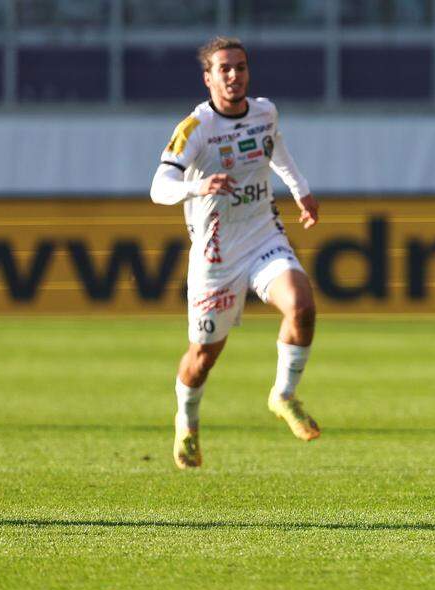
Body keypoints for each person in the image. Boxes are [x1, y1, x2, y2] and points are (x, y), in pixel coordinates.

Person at [150, 36, 322, 469]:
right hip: (216, 255)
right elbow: (158, 187)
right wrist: (196, 185)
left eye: (240, 67)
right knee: (203, 357)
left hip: (263, 235)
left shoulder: (265, 112)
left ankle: (283, 395)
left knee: (301, 306)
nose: (233, 75)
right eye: (224, 69)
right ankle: (186, 422)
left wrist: (301, 191)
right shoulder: (196, 128)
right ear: (208, 78)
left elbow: (275, 148)